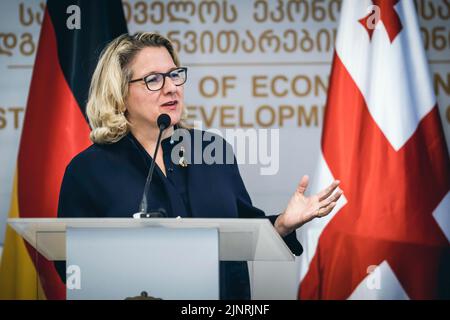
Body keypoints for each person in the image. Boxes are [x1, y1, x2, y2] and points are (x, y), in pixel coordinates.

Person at [56, 32, 342, 299]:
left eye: (175, 75)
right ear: (119, 94)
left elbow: (242, 232)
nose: (171, 88)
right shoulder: (88, 170)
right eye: (153, 79)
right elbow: (70, 262)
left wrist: (281, 225)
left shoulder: (211, 150)